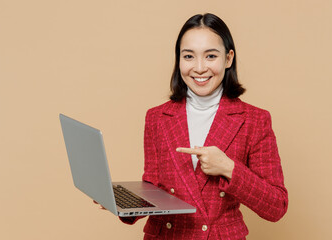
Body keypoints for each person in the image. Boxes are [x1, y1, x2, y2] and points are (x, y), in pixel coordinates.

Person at [95, 13, 288, 239]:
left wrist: (228, 168)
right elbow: (155, 187)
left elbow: (277, 207)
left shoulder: (254, 120)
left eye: (210, 56)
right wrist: (121, 202)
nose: (199, 68)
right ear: (178, 60)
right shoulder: (157, 117)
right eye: (188, 56)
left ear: (228, 59)